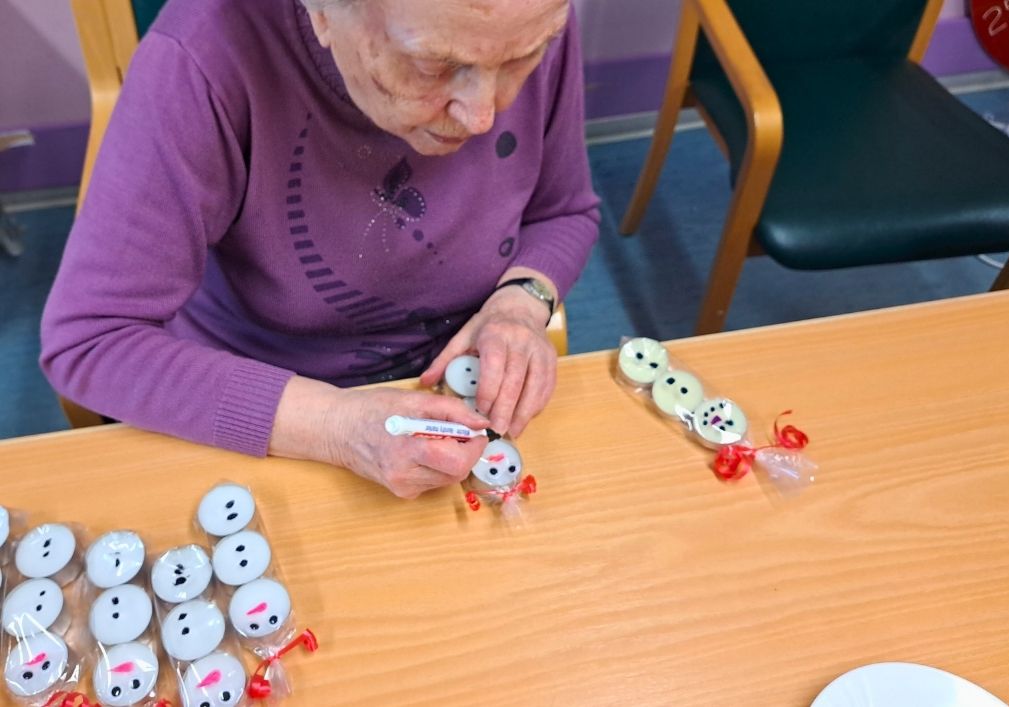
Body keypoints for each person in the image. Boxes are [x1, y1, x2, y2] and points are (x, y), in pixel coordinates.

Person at [40, 0, 600, 499]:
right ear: (324, 12)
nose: (484, 115)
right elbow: (89, 339)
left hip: (455, 388)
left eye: (526, 56)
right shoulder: (201, 59)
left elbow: (563, 210)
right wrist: (334, 426)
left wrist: (520, 305)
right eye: (434, 65)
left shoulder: (519, 18)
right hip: (270, 407)